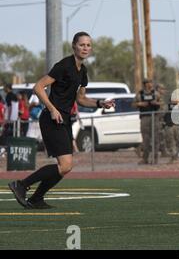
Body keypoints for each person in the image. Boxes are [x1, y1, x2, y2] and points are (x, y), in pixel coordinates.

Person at [8, 31, 115, 209]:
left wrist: (100, 103)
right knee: (65, 165)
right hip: (51, 119)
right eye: (82, 44)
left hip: (64, 120)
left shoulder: (83, 71)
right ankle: (21, 185)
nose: (85, 48)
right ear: (74, 46)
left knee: (66, 167)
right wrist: (52, 109)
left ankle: (36, 198)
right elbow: (38, 87)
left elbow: (81, 99)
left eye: (88, 45)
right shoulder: (64, 65)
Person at [133, 78, 161, 164]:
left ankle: (155, 159)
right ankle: (145, 158)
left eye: (151, 82)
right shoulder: (139, 94)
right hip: (144, 118)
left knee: (155, 138)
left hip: (154, 117)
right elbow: (133, 104)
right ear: (145, 84)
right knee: (145, 139)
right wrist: (140, 104)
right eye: (149, 83)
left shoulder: (156, 94)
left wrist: (156, 103)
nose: (151, 84)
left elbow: (162, 103)